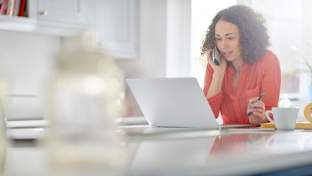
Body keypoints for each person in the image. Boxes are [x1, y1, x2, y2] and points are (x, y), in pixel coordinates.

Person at [201, 5, 281, 126]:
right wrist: (218, 73)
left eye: (230, 38)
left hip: (259, 141)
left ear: (246, 37)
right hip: (227, 141)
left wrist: (259, 118)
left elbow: (270, 114)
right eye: (218, 39)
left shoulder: (268, 61)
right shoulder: (214, 67)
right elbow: (206, 117)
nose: (223, 46)